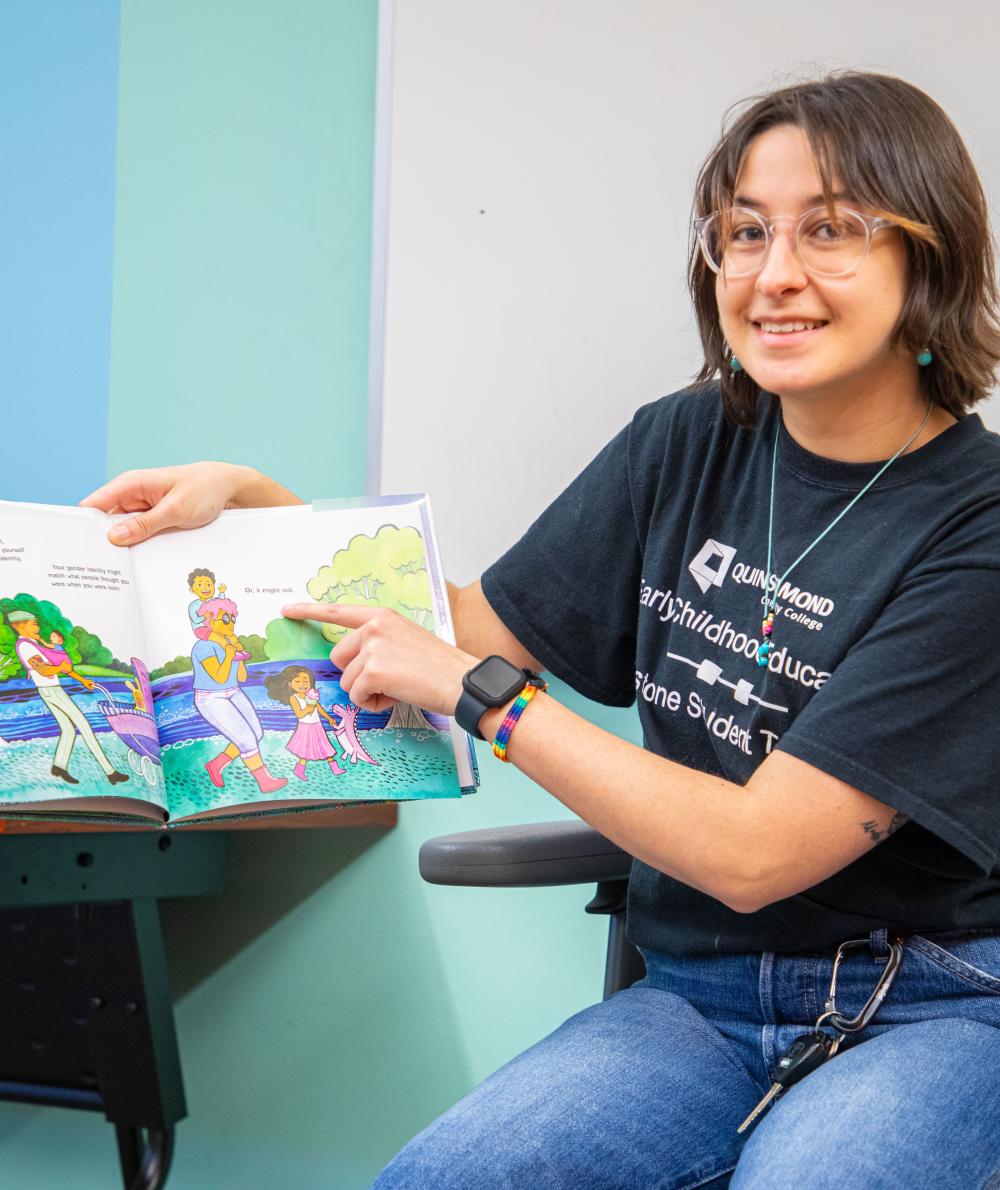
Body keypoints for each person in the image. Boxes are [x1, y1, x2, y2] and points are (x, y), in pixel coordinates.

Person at [80, 71, 1000, 1186]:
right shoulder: (686, 440)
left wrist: (484, 699)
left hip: (934, 1007)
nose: (774, 274)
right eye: (744, 231)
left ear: (928, 255)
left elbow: (757, 854)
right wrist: (255, 504)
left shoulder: (977, 528)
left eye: (832, 229)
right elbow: (477, 626)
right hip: (700, 997)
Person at [7, 610, 129, 786]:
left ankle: (59, 765)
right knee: (84, 725)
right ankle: (110, 772)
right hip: (51, 690)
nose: (38, 626)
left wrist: (83, 680)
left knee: (68, 729)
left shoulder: (35, 644)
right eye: (33, 623)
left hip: (50, 689)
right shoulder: (26, 646)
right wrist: (59, 668)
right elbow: (43, 669)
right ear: (20, 625)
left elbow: (63, 667)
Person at [191, 597, 288, 793]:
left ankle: (216, 764)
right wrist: (228, 655)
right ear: (209, 619)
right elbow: (218, 677)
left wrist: (239, 656)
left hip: (233, 691)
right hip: (211, 697)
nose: (231, 623)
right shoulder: (202, 647)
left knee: (256, 733)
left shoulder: (229, 643)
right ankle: (265, 781)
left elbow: (241, 677)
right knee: (246, 740)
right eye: (225, 619)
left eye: (233, 619)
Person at [263, 664, 346, 780]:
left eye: (306, 681)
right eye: (297, 681)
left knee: (325, 746)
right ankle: (299, 770)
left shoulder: (311, 695)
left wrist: (329, 718)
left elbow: (319, 708)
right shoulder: (294, 698)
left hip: (317, 725)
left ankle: (335, 768)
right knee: (305, 751)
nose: (302, 684)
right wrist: (307, 709)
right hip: (305, 727)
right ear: (290, 684)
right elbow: (299, 714)